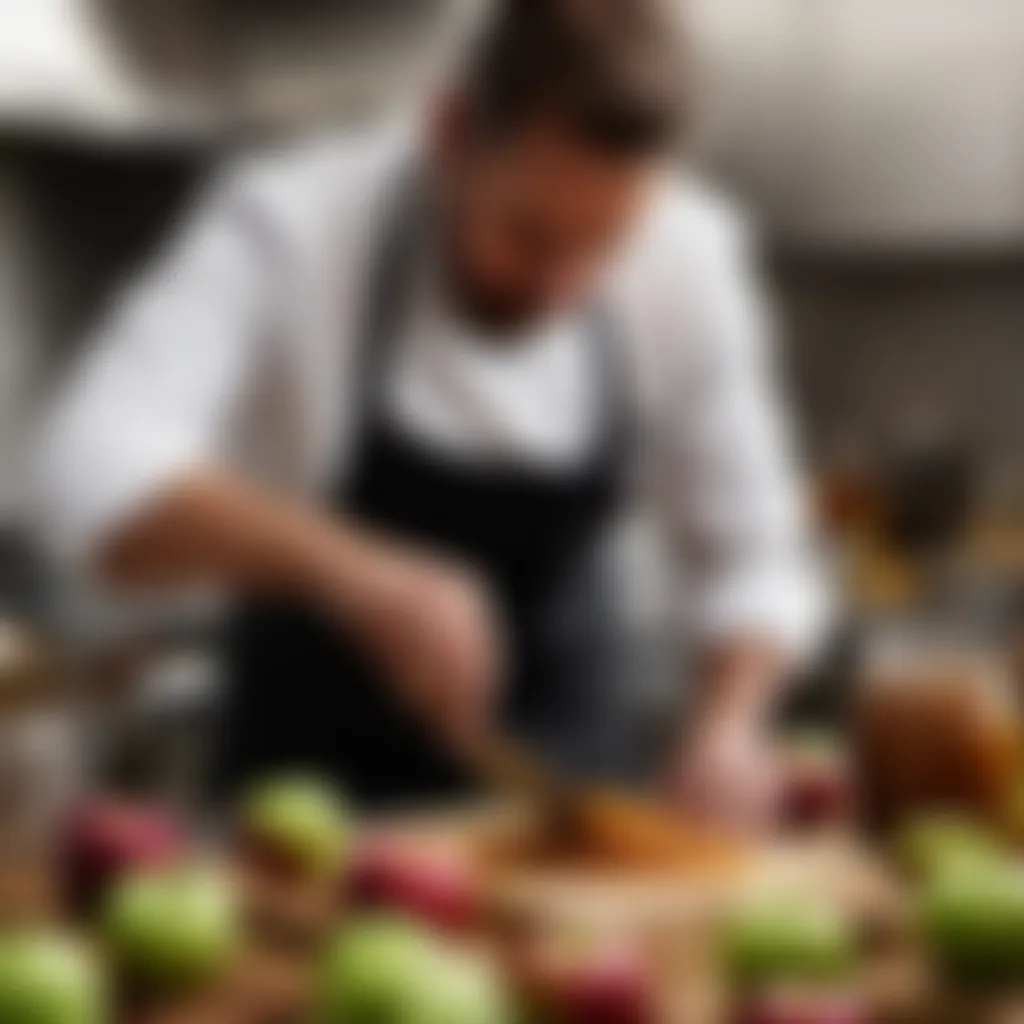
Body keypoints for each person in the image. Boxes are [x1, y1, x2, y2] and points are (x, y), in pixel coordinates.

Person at [32, 0, 822, 825]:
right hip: (305, 830)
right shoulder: (292, 222)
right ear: (448, 133)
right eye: (528, 235)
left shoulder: (691, 252)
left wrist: (731, 724)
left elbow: (756, 562)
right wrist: (354, 572)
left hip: (565, 822)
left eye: (603, 248)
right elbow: (82, 476)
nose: (563, 286)